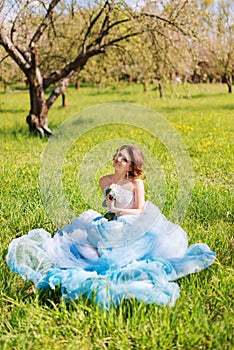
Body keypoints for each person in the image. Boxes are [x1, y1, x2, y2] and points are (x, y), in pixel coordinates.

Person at [6, 145, 216, 308]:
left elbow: (140, 210)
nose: (117, 159)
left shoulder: (136, 183)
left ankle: (112, 256)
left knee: (140, 241)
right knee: (84, 237)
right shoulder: (104, 180)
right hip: (113, 220)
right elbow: (108, 207)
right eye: (117, 155)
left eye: (123, 158)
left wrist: (118, 211)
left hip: (133, 221)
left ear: (132, 165)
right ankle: (97, 256)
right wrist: (111, 206)